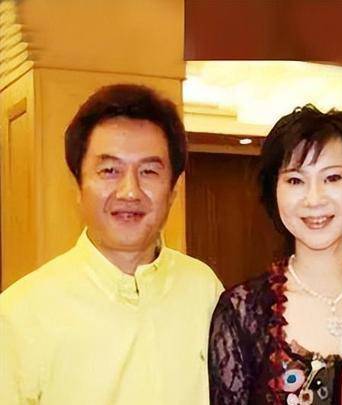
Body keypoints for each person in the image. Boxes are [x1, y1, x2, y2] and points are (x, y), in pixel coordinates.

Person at [0, 84, 224, 405]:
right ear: (78, 186)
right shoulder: (20, 313)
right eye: (109, 170)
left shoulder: (204, 289)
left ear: (173, 191)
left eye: (149, 171)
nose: (129, 191)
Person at [208, 105, 342, 404]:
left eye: (332, 178)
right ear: (274, 192)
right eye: (295, 180)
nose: (314, 199)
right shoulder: (242, 313)